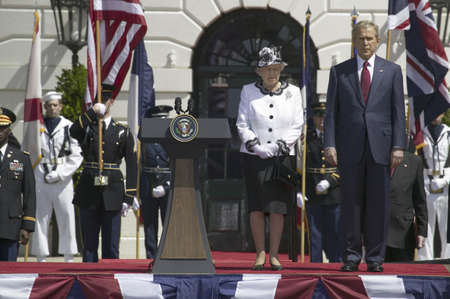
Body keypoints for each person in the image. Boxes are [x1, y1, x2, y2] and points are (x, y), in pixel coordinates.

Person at [323, 20, 406, 272]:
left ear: (377, 41)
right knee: (350, 204)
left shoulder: (391, 71)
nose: (366, 42)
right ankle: (350, 256)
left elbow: (398, 113)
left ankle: (375, 258)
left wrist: (398, 146)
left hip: (381, 148)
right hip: (349, 148)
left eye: (370, 38)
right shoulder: (339, 71)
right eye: (361, 38)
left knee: (378, 206)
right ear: (354, 41)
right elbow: (331, 114)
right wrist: (329, 144)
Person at [236, 46, 303, 270]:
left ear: (281, 70)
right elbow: (242, 123)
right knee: (256, 207)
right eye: (267, 69)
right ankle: (259, 254)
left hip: (282, 157)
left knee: (277, 207)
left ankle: (274, 254)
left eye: (275, 68)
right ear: (259, 72)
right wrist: (256, 146)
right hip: (254, 157)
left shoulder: (294, 92)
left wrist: (277, 147)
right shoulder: (248, 91)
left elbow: (297, 124)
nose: (271, 73)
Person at [70, 84, 137, 262]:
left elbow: (132, 165)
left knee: (111, 245)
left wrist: (129, 197)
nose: (100, 105)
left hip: (113, 192)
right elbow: (73, 130)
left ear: (111, 102)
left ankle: (110, 282)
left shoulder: (122, 131)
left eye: (104, 101)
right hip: (89, 189)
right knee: (89, 246)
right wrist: (91, 113)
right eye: (96, 102)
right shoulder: (87, 127)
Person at [30, 91, 83, 263]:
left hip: (63, 178)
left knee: (66, 215)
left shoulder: (69, 126)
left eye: (55, 105)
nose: (52, 108)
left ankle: (69, 254)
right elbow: (29, 150)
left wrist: (61, 173)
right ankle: (40, 254)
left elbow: (77, 155)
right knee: (41, 216)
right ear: (44, 107)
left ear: (60, 106)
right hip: (41, 175)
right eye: (48, 105)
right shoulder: (36, 127)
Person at [305, 101, 343, 263]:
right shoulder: (307, 138)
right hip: (312, 192)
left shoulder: (339, 137)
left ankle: (335, 264)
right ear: (313, 118)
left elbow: (345, 166)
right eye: (318, 116)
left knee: (334, 231)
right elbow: (301, 165)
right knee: (315, 234)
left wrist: (329, 181)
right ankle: (315, 265)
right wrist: (300, 190)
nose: (321, 120)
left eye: (324, 117)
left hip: (334, 193)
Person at [0, 107, 36, 261]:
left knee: (8, 277)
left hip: (10, 225)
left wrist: (27, 226)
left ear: (9, 130)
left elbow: (29, 194)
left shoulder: (21, 158)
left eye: (2, 128)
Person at [386, 138, 427, 262]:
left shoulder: (414, 162)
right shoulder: (373, 159)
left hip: (403, 233)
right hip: (377, 234)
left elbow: (419, 199)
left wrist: (422, 231)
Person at [139, 105, 173, 259]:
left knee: (168, 223)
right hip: (148, 183)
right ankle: (151, 256)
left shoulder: (174, 139)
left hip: (167, 183)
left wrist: (167, 186)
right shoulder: (145, 137)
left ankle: (167, 255)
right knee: (149, 225)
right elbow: (138, 164)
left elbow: (178, 165)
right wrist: (134, 192)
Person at [417, 113, 450, 260]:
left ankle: (447, 258)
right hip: (426, 181)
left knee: (446, 225)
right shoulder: (420, 133)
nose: (437, 114)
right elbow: (415, 159)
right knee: (426, 224)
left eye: (441, 110)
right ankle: (425, 260)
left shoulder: (448, 133)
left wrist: (446, 180)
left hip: (446, 184)